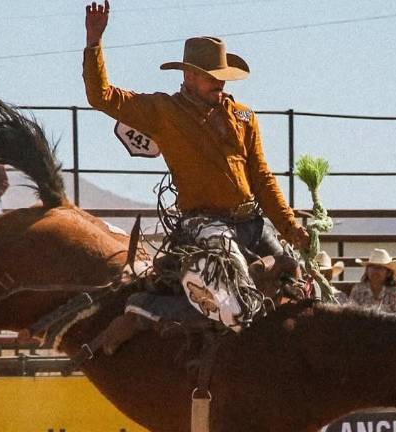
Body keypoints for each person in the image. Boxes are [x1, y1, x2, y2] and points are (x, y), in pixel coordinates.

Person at [83, 1, 310, 354]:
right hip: (204, 223)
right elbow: (102, 97)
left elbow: (262, 177)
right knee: (238, 305)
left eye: (221, 75)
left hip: (251, 221)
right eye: (210, 75)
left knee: (299, 282)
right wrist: (94, 42)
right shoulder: (163, 111)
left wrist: (290, 225)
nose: (219, 82)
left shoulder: (244, 116)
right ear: (189, 76)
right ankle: (147, 306)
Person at [346, 248, 396, 318]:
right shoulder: (358, 290)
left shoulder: (394, 292)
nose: (375, 271)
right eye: (372, 267)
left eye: (380, 268)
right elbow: (350, 314)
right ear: (367, 271)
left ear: (388, 273)